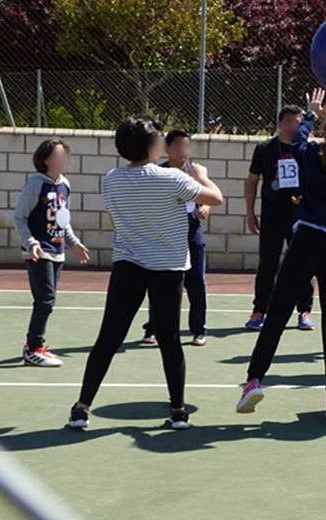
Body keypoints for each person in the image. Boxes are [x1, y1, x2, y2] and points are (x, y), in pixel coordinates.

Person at [67, 117, 223, 431]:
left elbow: (115, 218)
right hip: (166, 268)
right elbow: (215, 198)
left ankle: (81, 408)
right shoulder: (170, 178)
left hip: (127, 266)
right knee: (170, 340)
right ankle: (178, 410)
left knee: (109, 337)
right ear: (152, 146)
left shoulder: (112, 178)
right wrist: (202, 175)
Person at [236, 89, 326, 422]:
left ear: (324, 132)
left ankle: (254, 379)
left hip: (306, 240)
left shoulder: (311, 154)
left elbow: (295, 142)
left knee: (278, 313)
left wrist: (311, 113)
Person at [13, 138, 91, 367]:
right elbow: (20, 217)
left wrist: (74, 243)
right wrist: (31, 243)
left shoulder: (64, 184)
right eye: (58, 155)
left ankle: (35, 346)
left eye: (65, 155)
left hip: (57, 249)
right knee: (45, 300)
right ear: (45, 159)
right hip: (39, 250)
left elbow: (63, 219)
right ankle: (33, 348)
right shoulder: (36, 184)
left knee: (48, 300)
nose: (63, 159)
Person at [244, 106, 315, 331]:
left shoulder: (307, 148)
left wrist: (305, 198)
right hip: (272, 216)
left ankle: (305, 311)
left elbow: (316, 181)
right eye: (290, 122)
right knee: (267, 264)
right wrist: (249, 212)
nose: (295, 126)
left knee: (303, 264)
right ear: (280, 123)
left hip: (300, 217)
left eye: (298, 122)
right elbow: (252, 181)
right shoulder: (265, 148)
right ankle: (259, 310)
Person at [141, 129, 211, 347]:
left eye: (187, 147)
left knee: (196, 282)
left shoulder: (196, 172)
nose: (184, 151)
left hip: (191, 232)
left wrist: (205, 207)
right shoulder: (158, 173)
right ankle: (152, 328)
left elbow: (210, 195)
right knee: (160, 283)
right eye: (179, 146)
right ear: (167, 148)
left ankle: (198, 329)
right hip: (165, 235)